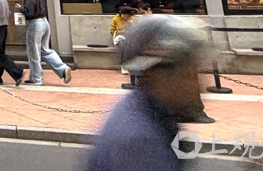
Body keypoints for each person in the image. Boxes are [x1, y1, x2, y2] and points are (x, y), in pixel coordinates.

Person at [86, 14, 209, 171]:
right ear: (159, 75)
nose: (200, 86)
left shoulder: (155, 116)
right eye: (190, 74)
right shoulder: (138, 142)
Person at [18, 0, 71, 85]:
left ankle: (36, 78)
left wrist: (21, 8)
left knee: (34, 52)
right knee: (44, 50)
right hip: (44, 22)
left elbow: (29, 12)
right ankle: (63, 69)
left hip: (35, 24)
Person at [110, 5, 136, 74]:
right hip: (119, 37)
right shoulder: (116, 19)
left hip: (131, 37)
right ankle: (123, 65)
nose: (125, 17)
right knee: (123, 45)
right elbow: (112, 30)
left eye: (127, 16)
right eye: (124, 15)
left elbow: (137, 29)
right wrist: (119, 32)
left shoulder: (133, 19)